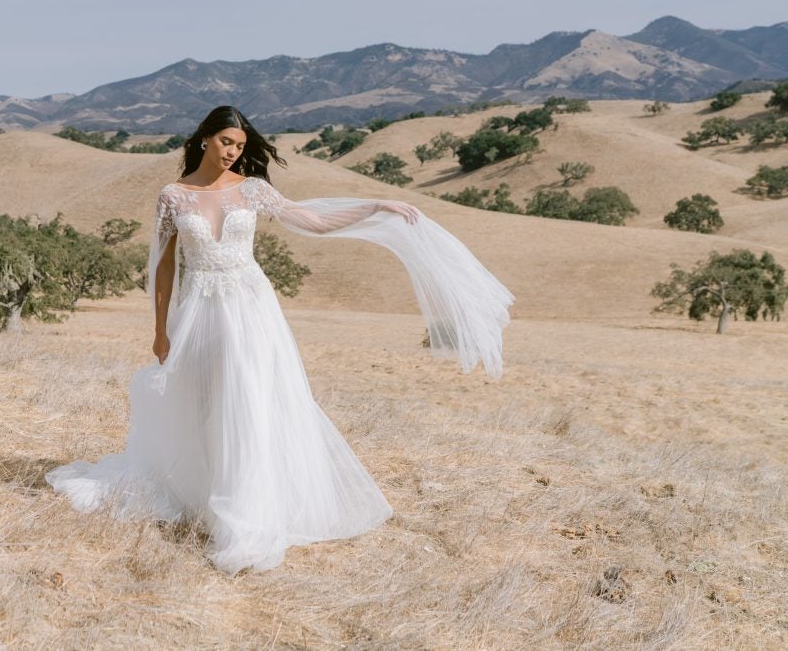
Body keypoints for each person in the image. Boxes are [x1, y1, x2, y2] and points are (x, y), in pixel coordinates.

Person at [46, 105, 514, 574]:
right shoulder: (173, 196)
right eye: (227, 142)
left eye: (240, 146)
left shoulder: (252, 190)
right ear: (205, 137)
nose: (233, 152)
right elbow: (165, 267)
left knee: (248, 400)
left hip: (250, 309)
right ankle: (203, 493)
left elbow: (309, 219)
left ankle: (244, 512)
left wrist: (375, 206)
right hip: (200, 310)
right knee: (202, 401)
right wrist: (159, 327)